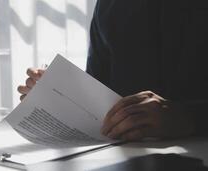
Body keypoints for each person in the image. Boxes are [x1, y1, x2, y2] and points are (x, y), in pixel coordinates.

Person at [17, 0, 208, 141]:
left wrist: (188, 117)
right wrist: (59, 96)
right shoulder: (108, 5)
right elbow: (98, 93)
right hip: (124, 163)